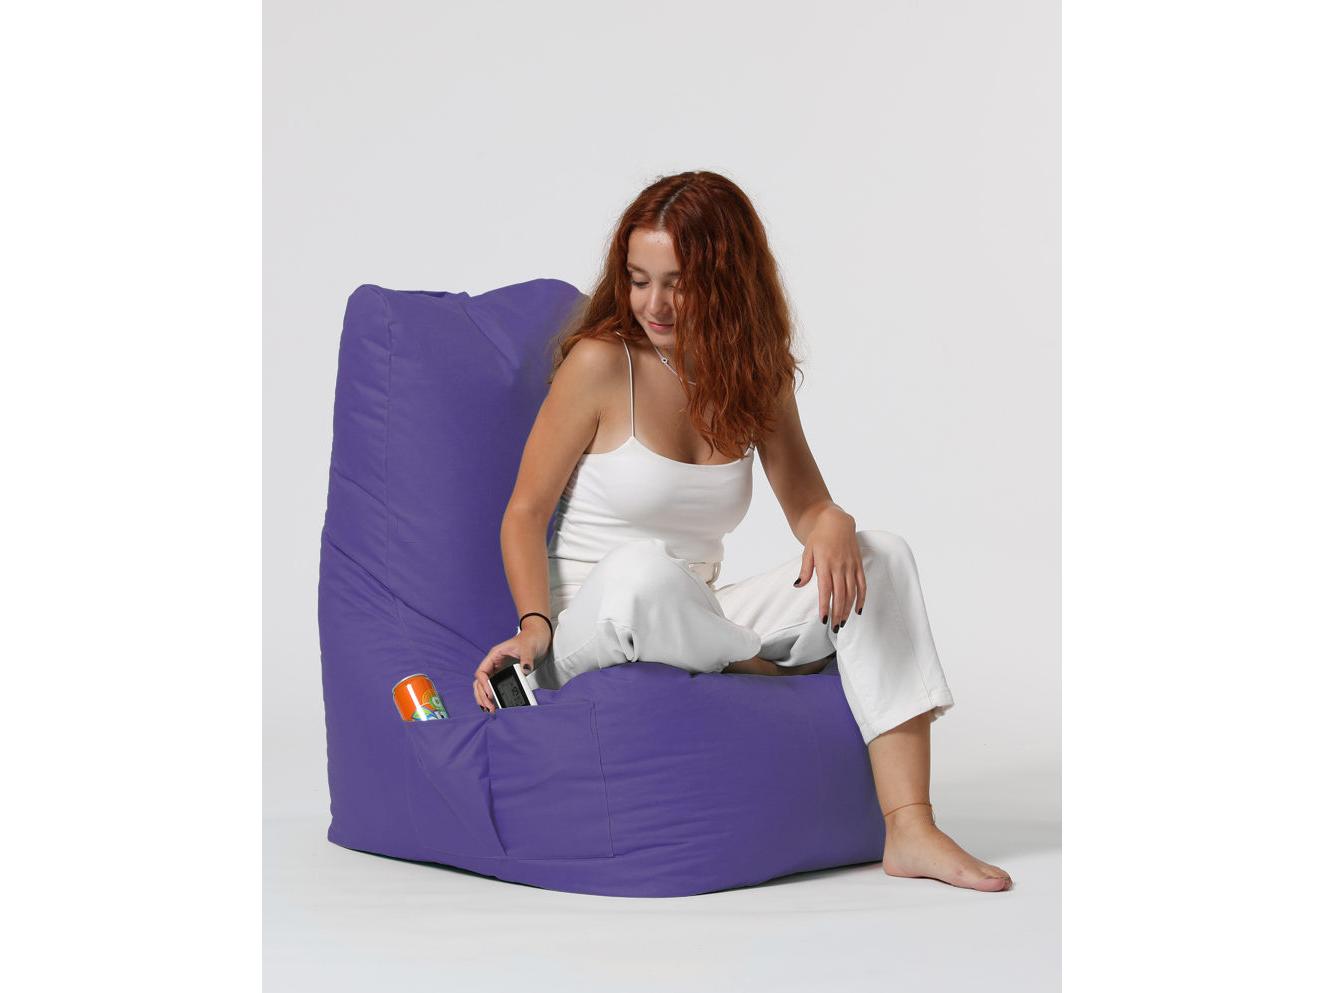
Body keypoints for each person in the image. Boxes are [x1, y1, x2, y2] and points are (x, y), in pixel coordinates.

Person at [471, 171, 1012, 892]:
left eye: (678, 283)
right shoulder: (601, 363)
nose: (653, 304)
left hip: (698, 617)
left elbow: (810, 507)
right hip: (593, 624)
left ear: (726, 279)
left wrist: (834, 521)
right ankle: (760, 670)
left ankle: (910, 823)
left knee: (882, 556)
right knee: (642, 571)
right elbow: (523, 513)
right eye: (638, 279)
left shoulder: (753, 374)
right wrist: (534, 626)